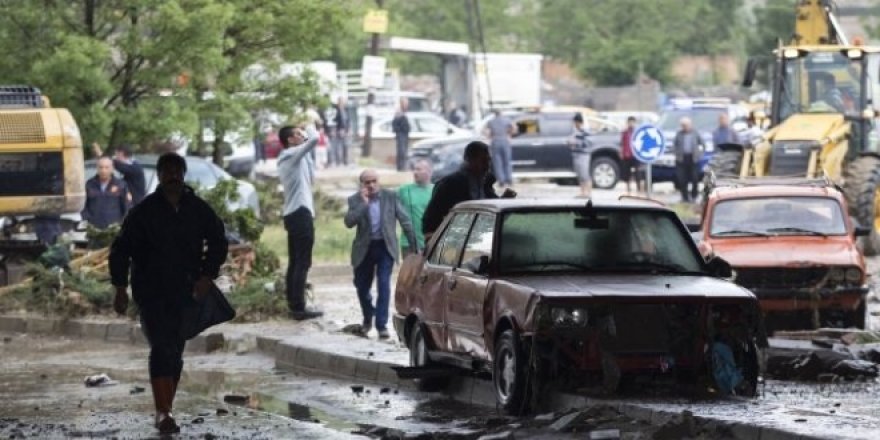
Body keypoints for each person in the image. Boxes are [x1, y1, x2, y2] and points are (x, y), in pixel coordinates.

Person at [109, 152, 228, 435]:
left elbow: (218, 241)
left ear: (183, 175)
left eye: (177, 170)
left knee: (175, 349)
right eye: (167, 171)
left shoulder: (198, 209)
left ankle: (167, 408)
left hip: (186, 289)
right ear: (160, 176)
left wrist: (207, 276)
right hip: (151, 291)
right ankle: (163, 411)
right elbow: (120, 251)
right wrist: (120, 287)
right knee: (161, 346)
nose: (173, 175)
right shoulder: (144, 211)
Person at [344, 169, 417, 339]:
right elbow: (349, 222)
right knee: (362, 287)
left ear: (379, 181)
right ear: (362, 184)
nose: (371, 185)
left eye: (374, 181)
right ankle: (369, 316)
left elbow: (404, 219)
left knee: (384, 284)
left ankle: (381, 325)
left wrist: (414, 245)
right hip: (364, 248)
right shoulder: (355, 199)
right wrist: (363, 204)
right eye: (367, 182)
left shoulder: (390, 197)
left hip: (385, 246)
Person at [422, 141, 516, 239]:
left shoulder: (485, 184)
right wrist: (434, 239)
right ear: (468, 160)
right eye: (483, 161)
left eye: (488, 160)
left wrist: (504, 202)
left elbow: (490, 213)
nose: (487, 166)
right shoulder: (450, 184)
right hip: (457, 242)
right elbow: (431, 219)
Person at [278, 124, 323, 320]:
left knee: (296, 261)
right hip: (299, 213)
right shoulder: (290, 155)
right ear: (290, 140)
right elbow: (314, 140)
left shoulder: (297, 158)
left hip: (296, 213)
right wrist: (310, 126)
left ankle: (294, 304)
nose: (302, 135)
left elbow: (311, 175)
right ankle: (298, 307)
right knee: (301, 262)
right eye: (297, 134)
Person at [397, 160, 434, 256]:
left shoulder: (436, 190)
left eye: (419, 169)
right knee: (410, 271)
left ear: (429, 172)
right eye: (414, 169)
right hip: (408, 243)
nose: (415, 172)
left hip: (431, 242)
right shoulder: (404, 190)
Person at [81, 157, 130, 229]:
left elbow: (127, 207)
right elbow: (82, 205)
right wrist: (87, 218)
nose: (103, 170)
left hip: (114, 229)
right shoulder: (89, 184)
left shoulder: (121, 185)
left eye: (107, 167)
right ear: (97, 168)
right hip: (94, 229)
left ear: (112, 168)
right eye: (101, 167)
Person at [672, 117, 705, 203]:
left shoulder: (695, 133)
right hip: (682, 159)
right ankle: (685, 197)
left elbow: (702, 144)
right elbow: (674, 145)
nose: (684, 127)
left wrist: (700, 154)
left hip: (693, 159)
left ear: (690, 125)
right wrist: (676, 154)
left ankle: (694, 196)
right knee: (682, 179)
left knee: (695, 178)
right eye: (683, 125)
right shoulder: (679, 134)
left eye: (686, 125)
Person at [484, 110, 515, 189]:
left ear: (494, 114)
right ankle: (509, 179)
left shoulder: (491, 121)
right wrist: (509, 135)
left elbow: (487, 132)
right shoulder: (507, 120)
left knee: (498, 162)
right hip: (505, 140)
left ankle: (501, 181)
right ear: (501, 113)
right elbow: (513, 127)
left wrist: (490, 137)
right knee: (507, 161)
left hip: (495, 141)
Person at [569, 113, 592, 198]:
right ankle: (582, 192)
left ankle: (588, 193)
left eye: (576, 122)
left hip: (584, 155)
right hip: (576, 154)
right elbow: (572, 141)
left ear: (580, 122)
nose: (575, 124)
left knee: (585, 174)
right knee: (579, 175)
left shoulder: (585, 131)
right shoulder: (574, 131)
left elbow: (588, 143)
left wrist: (577, 143)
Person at [619, 116, 643, 194]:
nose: (631, 124)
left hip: (636, 155)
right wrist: (621, 152)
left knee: (638, 172)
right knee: (627, 173)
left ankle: (639, 189)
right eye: (630, 122)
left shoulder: (638, 132)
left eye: (632, 122)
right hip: (627, 154)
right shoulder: (624, 132)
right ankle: (628, 189)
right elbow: (621, 143)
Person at [328, 97, 350, 167]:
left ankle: (345, 161)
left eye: (342, 102)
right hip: (338, 130)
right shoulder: (336, 110)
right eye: (340, 102)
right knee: (337, 146)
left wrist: (348, 130)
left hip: (345, 130)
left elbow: (348, 120)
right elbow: (334, 120)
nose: (341, 103)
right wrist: (337, 130)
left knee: (345, 146)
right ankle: (338, 161)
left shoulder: (346, 110)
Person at [391, 100, 411, 172]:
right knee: (401, 152)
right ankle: (400, 167)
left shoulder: (404, 113)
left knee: (404, 151)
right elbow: (394, 125)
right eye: (405, 104)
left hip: (405, 135)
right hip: (401, 135)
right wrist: (400, 131)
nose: (407, 106)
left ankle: (403, 167)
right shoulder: (399, 114)